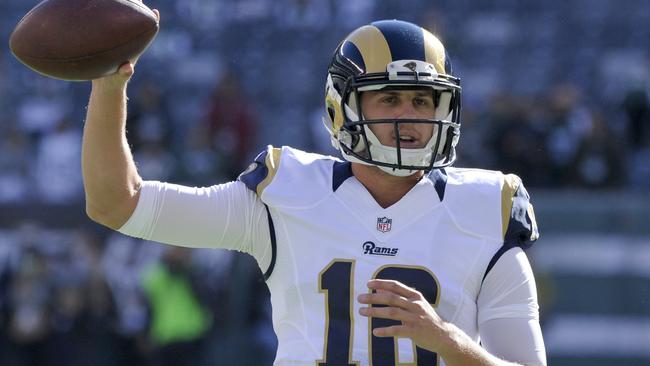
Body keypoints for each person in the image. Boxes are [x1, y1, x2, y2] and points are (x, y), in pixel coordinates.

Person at [82, 11, 546, 366]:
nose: (410, 117)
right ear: (341, 107)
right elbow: (117, 202)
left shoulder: (486, 211)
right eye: (389, 98)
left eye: (423, 100)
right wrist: (109, 83)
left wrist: (449, 342)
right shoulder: (287, 196)